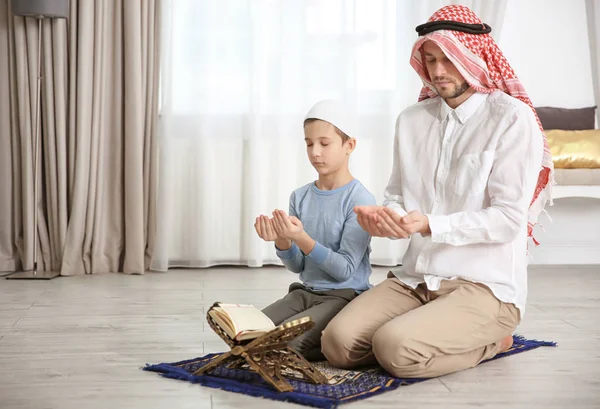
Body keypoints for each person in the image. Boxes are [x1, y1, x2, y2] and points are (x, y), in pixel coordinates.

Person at [320, 5, 554, 378]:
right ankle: (425, 329)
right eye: (430, 60)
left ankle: (495, 339)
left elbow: (509, 220)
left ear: (475, 56)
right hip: (416, 277)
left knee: (393, 349)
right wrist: (389, 219)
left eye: (449, 58)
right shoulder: (412, 120)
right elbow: (396, 194)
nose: (438, 71)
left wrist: (430, 224)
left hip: (484, 286)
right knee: (337, 345)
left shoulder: (511, 118)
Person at [254, 99, 377, 361]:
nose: (315, 152)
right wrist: (283, 242)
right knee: (249, 333)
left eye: (324, 143)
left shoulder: (360, 200)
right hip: (305, 293)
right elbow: (298, 267)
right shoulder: (300, 197)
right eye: (309, 144)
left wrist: (301, 237)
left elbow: (344, 269)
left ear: (349, 145)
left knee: (284, 346)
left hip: (343, 297)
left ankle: (327, 343)